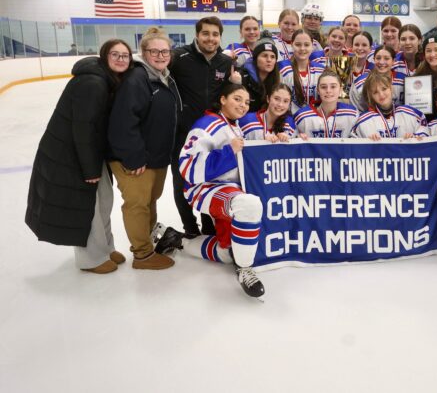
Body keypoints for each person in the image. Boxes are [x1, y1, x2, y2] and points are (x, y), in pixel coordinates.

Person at [25, 40, 133, 274]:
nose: (121, 59)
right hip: (73, 156)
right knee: (90, 207)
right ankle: (91, 259)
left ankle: (105, 248)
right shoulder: (92, 84)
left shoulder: (105, 79)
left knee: (104, 201)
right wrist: (90, 169)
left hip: (90, 153)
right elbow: (83, 130)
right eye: (115, 54)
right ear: (104, 56)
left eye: (125, 55)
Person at [156, 83, 269, 299]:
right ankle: (245, 269)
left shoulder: (234, 126)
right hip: (205, 189)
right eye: (237, 99)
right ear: (223, 99)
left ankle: (178, 240)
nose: (243, 105)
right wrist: (229, 152)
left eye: (246, 102)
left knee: (227, 253)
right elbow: (187, 167)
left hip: (229, 190)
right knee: (249, 205)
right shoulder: (207, 124)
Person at [108, 27, 179, 270]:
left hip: (155, 156)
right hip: (137, 159)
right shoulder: (137, 79)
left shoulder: (162, 75)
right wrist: (134, 158)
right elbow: (123, 123)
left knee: (150, 201)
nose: (160, 55)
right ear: (143, 52)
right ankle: (142, 255)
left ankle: (147, 242)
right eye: (154, 51)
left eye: (165, 51)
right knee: (138, 205)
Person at [170, 16, 238, 238]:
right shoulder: (180, 57)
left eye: (215, 34)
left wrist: (237, 82)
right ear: (197, 34)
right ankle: (190, 228)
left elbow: (230, 97)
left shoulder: (226, 63)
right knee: (182, 181)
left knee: (209, 178)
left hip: (212, 134)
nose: (210, 38)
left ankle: (209, 227)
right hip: (183, 132)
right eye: (206, 33)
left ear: (220, 37)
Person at [351, 70, 428, 140]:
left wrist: (416, 138)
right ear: (371, 96)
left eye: (384, 89)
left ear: (391, 88)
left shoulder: (411, 114)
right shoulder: (363, 122)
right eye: (375, 92)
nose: (381, 95)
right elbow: (355, 147)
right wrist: (368, 143)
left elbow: (424, 134)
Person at [295, 70, 358, 138]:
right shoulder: (302, 116)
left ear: (340, 90)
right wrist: (296, 137)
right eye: (323, 87)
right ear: (318, 91)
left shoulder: (352, 114)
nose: (328, 91)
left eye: (333, 86)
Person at [279, 28, 325, 113]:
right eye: (298, 44)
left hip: (314, 121)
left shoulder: (321, 70)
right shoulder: (282, 69)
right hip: (289, 120)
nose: (302, 48)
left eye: (307, 45)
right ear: (292, 45)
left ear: (312, 46)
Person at [349, 45, 405, 112]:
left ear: (393, 61)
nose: (381, 62)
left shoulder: (404, 81)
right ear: (374, 60)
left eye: (386, 58)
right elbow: (356, 111)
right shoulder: (360, 83)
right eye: (378, 58)